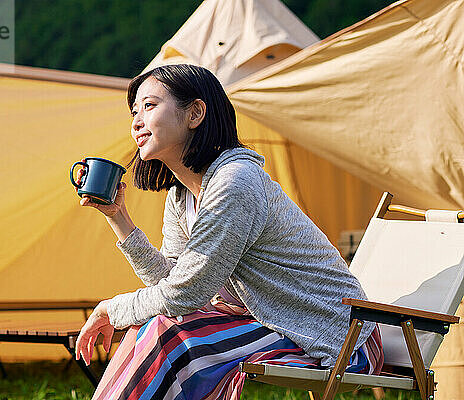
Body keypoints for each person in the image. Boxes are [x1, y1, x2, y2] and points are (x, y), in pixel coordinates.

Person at [74, 64, 383, 400]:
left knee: (170, 336)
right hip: (267, 322)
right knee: (148, 324)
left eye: (149, 106)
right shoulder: (182, 196)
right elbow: (175, 283)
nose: (136, 122)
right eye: (134, 111)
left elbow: (186, 294)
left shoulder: (235, 182)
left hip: (334, 335)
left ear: (194, 113)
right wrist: (119, 218)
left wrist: (111, 309)